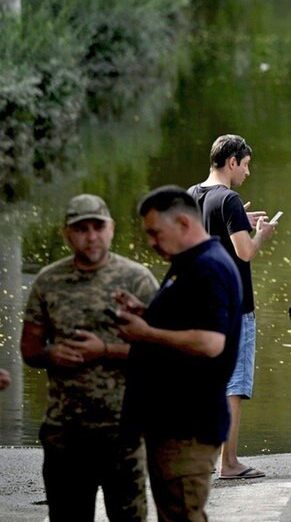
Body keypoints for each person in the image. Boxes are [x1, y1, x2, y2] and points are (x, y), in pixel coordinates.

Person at [20, 194, 159, 522]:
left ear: (111, 229)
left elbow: (163, 352)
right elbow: (29, 349)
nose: (91, 236)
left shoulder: (136, 279)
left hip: (122, 429)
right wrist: (50, 353)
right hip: (65, 432)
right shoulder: (48, 281)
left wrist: (106, 350)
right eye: (81, 229)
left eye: (98, 227)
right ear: (67, 234)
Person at [119, 186, 243, 522]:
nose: (151, 242)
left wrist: (145, 333)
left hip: (188, 427)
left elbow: (211, 342)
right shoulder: (189, 263)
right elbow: (189, 319)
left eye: (155, 232)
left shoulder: (209, 267)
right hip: (171, 424)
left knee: (182, 514)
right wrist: (147, 313)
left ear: (184, 223)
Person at [188, 134, 277, 480]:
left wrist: (241, 219)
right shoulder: (229, 199)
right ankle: (229, 463)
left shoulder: (193, 194)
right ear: (231, 162)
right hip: (234, 305)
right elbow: (245, 252)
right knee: (233, 386)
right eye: (246, 164)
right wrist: (262, 234)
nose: (247, 172)